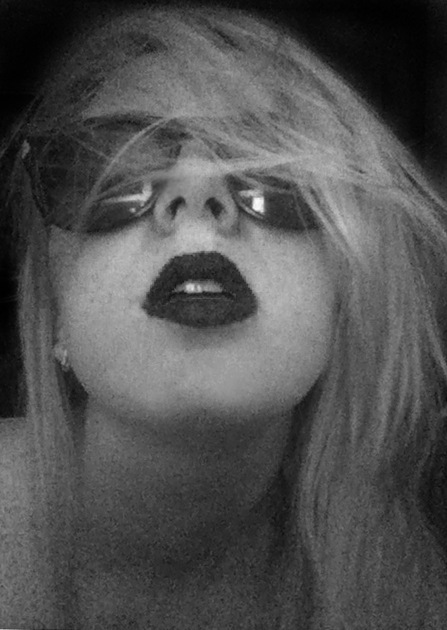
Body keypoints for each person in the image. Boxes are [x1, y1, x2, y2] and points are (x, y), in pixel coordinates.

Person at [1, 2, 447, 628]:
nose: (198, 186)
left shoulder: (397, 584)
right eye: (112, 166)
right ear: (53, 312)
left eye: (272, 169)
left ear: (348, 296)